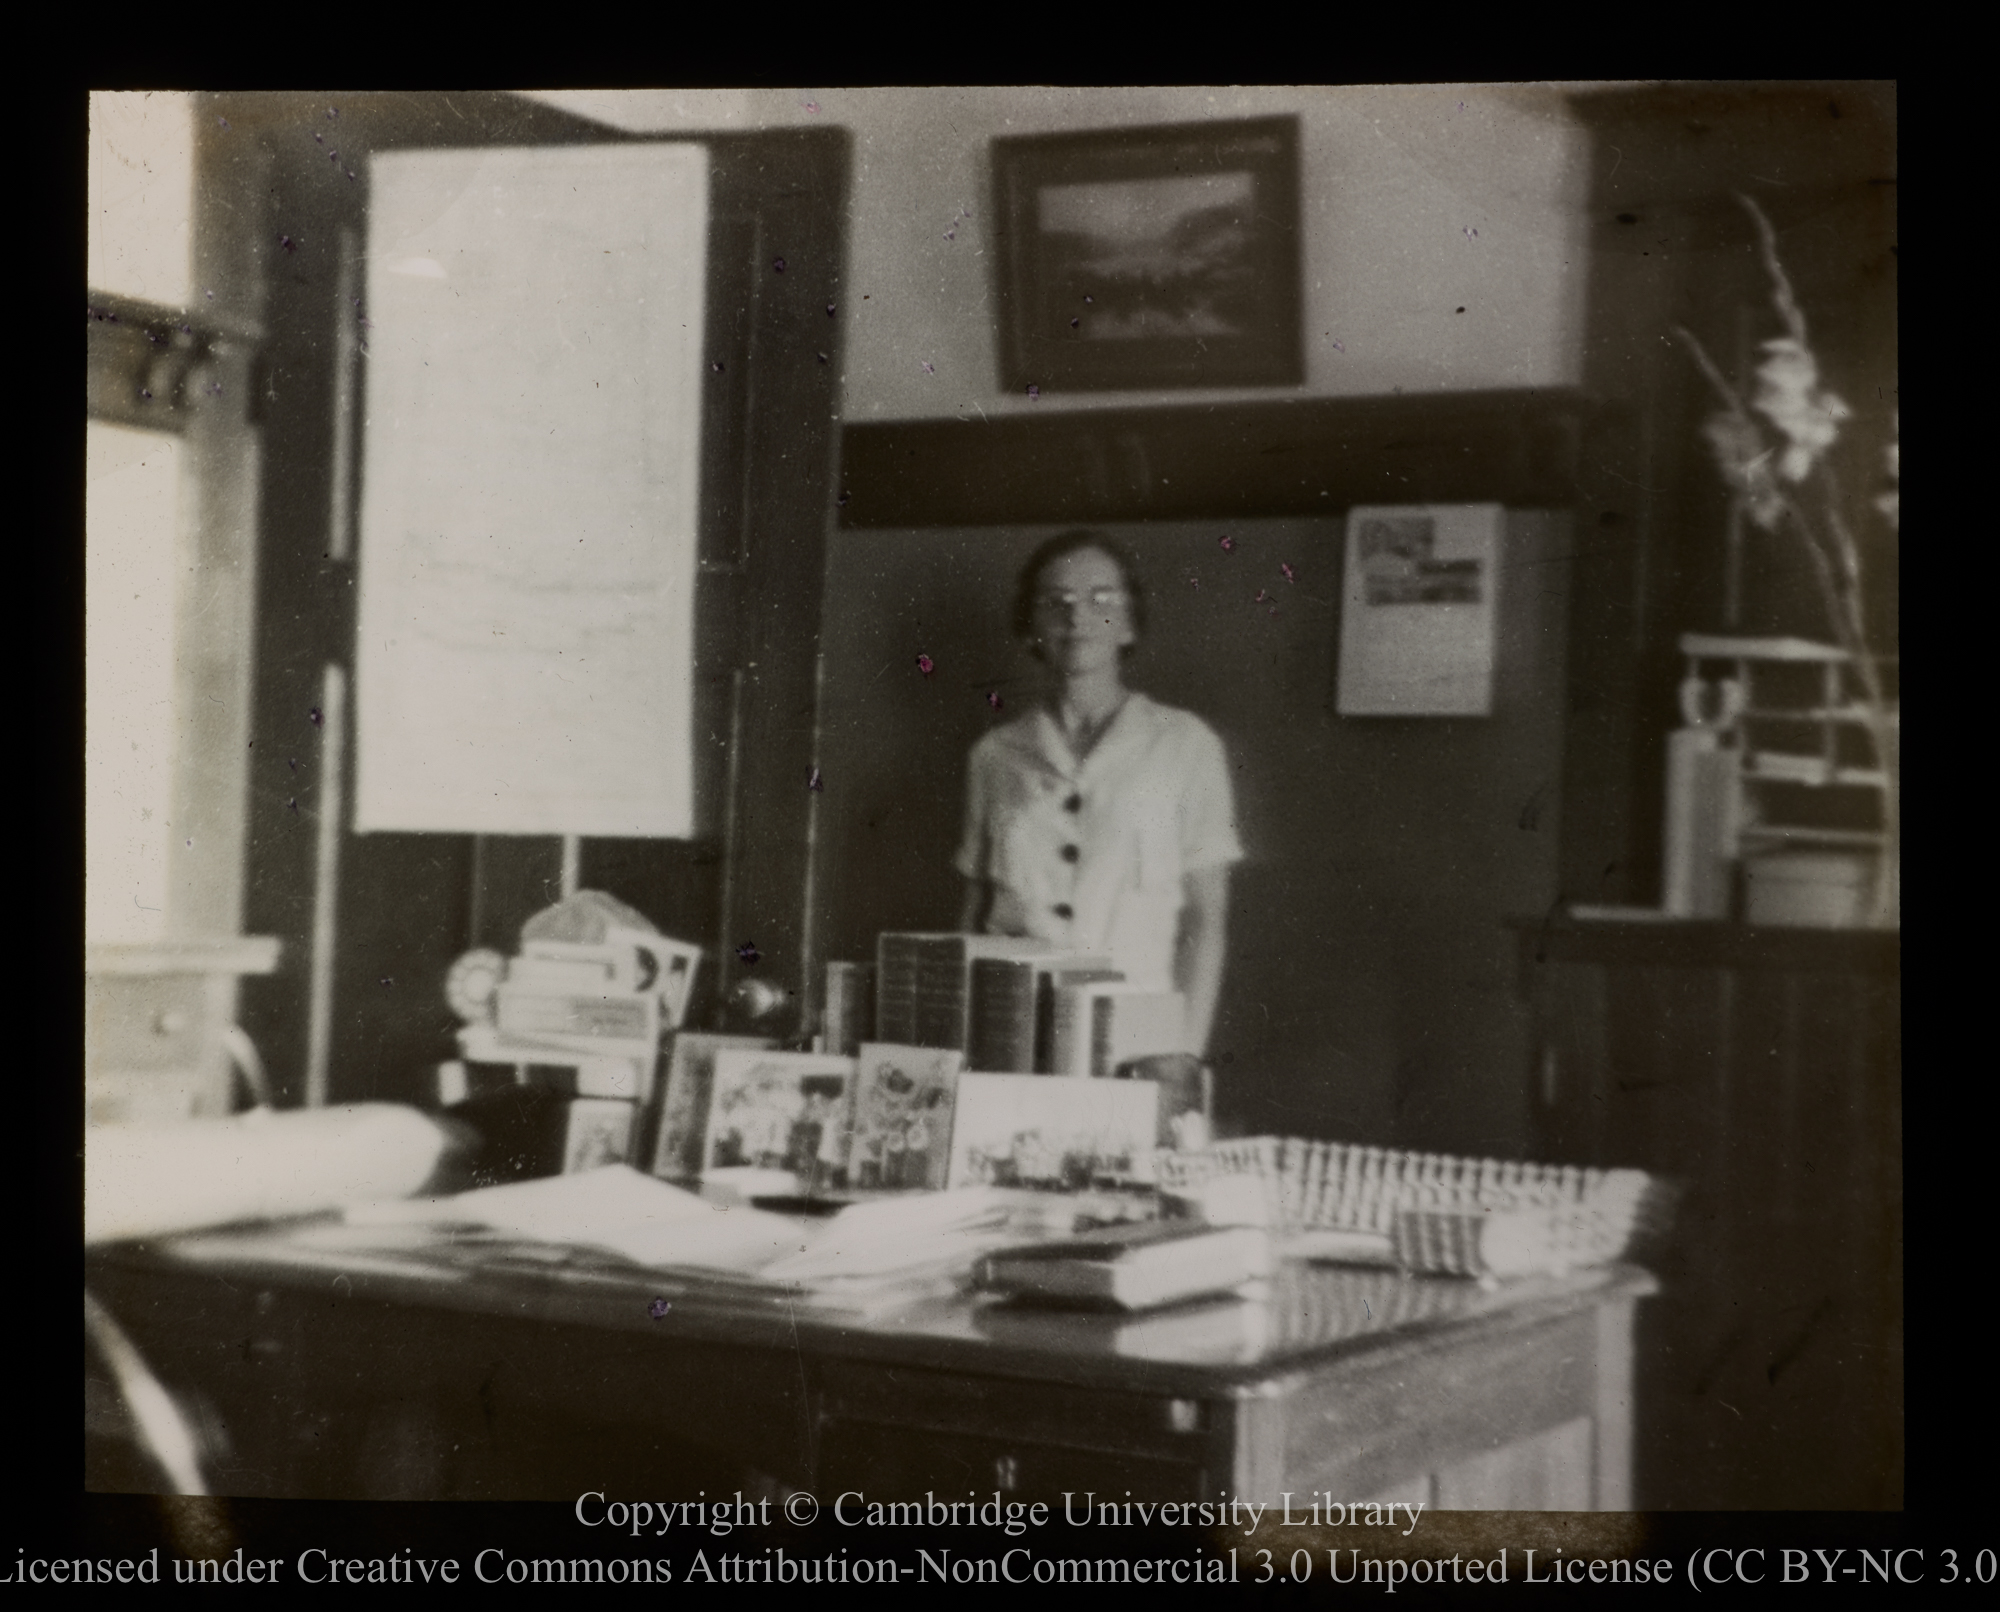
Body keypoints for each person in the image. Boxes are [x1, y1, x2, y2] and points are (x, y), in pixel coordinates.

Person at [956, 530, 1242, 1058]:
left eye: (1101, 599)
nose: (1076, 616)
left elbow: (1206, 919)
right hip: (1012, 1029)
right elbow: (975, 911)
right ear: (1031, 626)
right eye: (1055, 602)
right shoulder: (995, 755)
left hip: (1134, 1033)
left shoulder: (1185, 746)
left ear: (1130, 622)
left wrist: (1183, 1056)